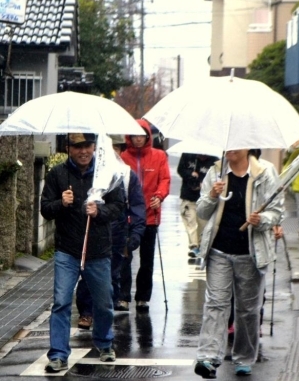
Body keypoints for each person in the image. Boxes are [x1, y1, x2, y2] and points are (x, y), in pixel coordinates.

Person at [194, 149, 284, 379]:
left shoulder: (265, 172)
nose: (231, 149)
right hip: (218, 250)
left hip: (250, 253)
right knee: (216, 303)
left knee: (247, 310)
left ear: (248, 147)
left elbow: (276, 211)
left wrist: (261, 220)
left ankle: (243, 357)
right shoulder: (216, 172)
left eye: (238, 144)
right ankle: (208, 357)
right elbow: (202, 211)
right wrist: (212, 195)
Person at [41, 133, 125, 373]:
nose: (83, 151)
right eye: (77, 147)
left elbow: (118, 207)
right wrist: (61, 203)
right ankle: (58, 354)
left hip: (98, 250)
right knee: (61, 302)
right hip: (67, 250)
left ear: (94, 147)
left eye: (87, 146)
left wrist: (99, 212)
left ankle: (105, 343)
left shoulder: (106, 174)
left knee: (103, 302)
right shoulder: (57, 174)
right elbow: (45, 209)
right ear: (68, 148)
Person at [75, 134, 146, 323]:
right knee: (88, 274)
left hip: (117, 233)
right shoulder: (90, 172)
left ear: (121, 150)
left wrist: (136, 233)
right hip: (90, 233)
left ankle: (103, 315)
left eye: (116, 148)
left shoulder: (126, 174)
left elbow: (137, 205)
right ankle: (87, 313)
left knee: (111, 275)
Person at [121, 118, 171, 312]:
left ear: (148, 136)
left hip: (151, 214)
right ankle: (122, 297)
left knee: (147, 258)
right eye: (135, 135)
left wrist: (159, 196)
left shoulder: (159, 156)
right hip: (128, 215)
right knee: (125, 256)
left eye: (142, 135)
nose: (138, 139)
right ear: (129, 137)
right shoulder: (123, 157)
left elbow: (165, 179)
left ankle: (143, 297)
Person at [177, 153, 218, 258]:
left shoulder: (214, 162)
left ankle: (201, 246)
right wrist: (190, 175)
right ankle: (194, 246)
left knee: (203, 225)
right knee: (191, 223)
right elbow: (180, 169)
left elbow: (217, 178)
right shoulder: (187, 156)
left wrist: (202, 184)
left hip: (205, 199)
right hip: (189, 197)